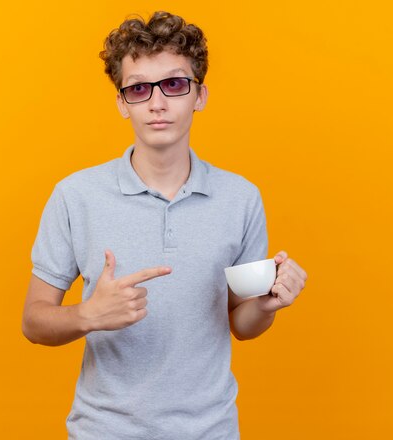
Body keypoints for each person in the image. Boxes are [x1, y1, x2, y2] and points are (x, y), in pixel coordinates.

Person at [22, 10, 308, 439]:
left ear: (199, 95)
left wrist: (268, 304)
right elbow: (34, 322)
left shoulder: (240, 198)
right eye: (138, 88)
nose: (157, 103)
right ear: (122, 102)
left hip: (210, 430)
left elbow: (241, 323)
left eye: (173, 84)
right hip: (104, 431)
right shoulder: (75, 195)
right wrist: (89, 314)